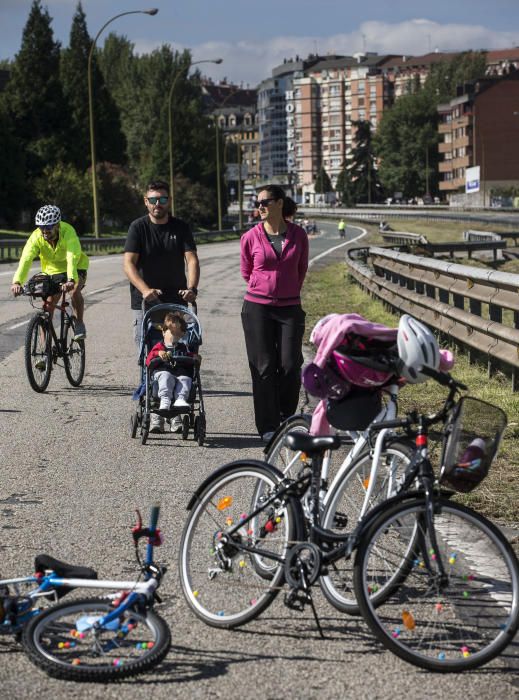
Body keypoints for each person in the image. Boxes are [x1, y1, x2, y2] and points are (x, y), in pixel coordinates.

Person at [240, 184, 309, 442]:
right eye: (257, 204)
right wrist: (264, 289)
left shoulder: (299, 235)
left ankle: (284, 414)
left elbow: (301, 270)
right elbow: (247, 272)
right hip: (257, 307)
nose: (260, 207)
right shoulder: (250, 237)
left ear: (279, 203)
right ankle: (268, 426)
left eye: (265, 202)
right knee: (264, 367)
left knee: (291, 365)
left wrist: (287, 289)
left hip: (290, 306)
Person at [123, 180, 200, 353]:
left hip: (176, 300)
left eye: (162, 200)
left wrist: (192, 289)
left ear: (169, 201)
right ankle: (147, 381)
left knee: (179, 351)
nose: (158, 204)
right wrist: (145, 290)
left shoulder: (181, 227)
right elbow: (128, 264)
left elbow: (192, 260)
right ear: (146, 201)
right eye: (153, 200)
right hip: (145, 301)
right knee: (148, 354)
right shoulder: (138, 228)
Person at [11, 205, 89, 339]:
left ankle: (79, 322)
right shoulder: (36, 236)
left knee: (74, 290)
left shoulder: (68, 232)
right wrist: (17, 281)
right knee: (47, 307)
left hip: (76, 267)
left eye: (48, 227)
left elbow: (72, 257)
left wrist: (71, 280)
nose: (44, 231)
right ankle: (44, 347)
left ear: (57, 225)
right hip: (52, 271)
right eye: (41, 227)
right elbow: (26, 259)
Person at [145, 311, 194, 433]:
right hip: (163, 373)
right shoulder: (159, 346)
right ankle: (165, 400)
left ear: (182, 334)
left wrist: (195, 357)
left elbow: (190, 356)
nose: (174, 336)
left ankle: (180, 399)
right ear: (163, 332)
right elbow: (148, 360)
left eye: (178, 334)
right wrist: (158, 353)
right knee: (166, 376)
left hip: (179, 374)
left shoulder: (183, 347)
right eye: (172, 333)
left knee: (186, 379)